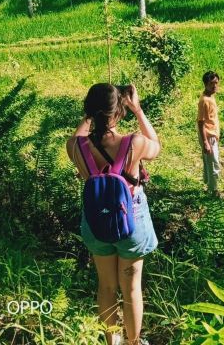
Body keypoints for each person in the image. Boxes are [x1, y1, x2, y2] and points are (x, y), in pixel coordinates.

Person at [66, 83, 160, 345]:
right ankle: (132, 341)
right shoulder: (135, 143)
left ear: (89, 111)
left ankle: (112, 342)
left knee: (106, 286)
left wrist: (88, 118)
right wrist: (137, 109)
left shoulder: (75, 147)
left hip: (96, 221)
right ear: (119, 112)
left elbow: (80, 135)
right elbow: (157, 146)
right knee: (131, 288)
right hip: (132, 220)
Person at [197, 71, 221, 196]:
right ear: (205, 84)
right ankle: (214, 190)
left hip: (212, 134)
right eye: (212, 84)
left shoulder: (211, 96)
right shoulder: (205, 101)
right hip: (208, 135)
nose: (215, 86)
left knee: (208, 161)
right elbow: (200, 122)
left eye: (216, 83)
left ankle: (208, 185)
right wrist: (206, 141)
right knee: (214, 163)